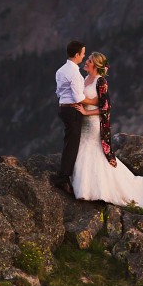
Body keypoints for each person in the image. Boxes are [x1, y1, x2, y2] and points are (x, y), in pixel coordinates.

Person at [70, 52, 143, 208]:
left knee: (93, 149)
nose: (86, 61)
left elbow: (106, 107)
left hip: (94, 122)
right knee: (83, 149)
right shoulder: (85, 79)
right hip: (84, 123)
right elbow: (89, 100)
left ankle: (95, 189)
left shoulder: (100, 81)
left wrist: (86, 112)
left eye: (89, 60)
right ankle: (85, 187)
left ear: (95, 65)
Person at [52, 39, 87, 193]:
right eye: (83, 54)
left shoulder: (60, 70)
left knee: (69, 142)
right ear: (77, 54)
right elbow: (79, 98)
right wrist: (96, 101)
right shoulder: (74, 72)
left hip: (63, 108)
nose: (84, 57)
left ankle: (64, 174)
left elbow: (59, 92)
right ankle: (63, 177)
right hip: (73, 110)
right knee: (72, 144)